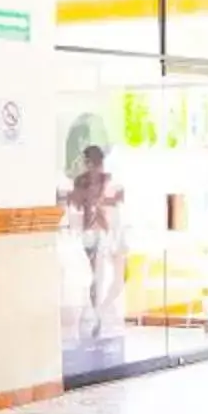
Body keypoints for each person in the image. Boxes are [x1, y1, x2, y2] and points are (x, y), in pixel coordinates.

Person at [61, 144, 126, 343]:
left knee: (113, 278)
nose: (89, 166)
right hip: (94, 233)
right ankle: (96, 313)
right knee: (97, 277)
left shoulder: (107, 181)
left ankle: (98, 312)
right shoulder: (84, 182)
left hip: (107, 232)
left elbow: (113, 202)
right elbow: (80, 203)